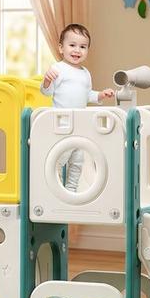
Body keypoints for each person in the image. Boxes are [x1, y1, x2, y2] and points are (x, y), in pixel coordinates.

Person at [40, 24, 116, 191]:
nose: (77, 50)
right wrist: (46, 80)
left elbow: (87, 94)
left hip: (79, 124)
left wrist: (101, 95)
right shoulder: (58, 69)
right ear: (61, 47)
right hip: (62, 124)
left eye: (83, 47)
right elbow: (47, 92)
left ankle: (71, 190)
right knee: (59, 159)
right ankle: (56, 190)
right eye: (72, 45)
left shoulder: (85, 73)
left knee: (78, 159)